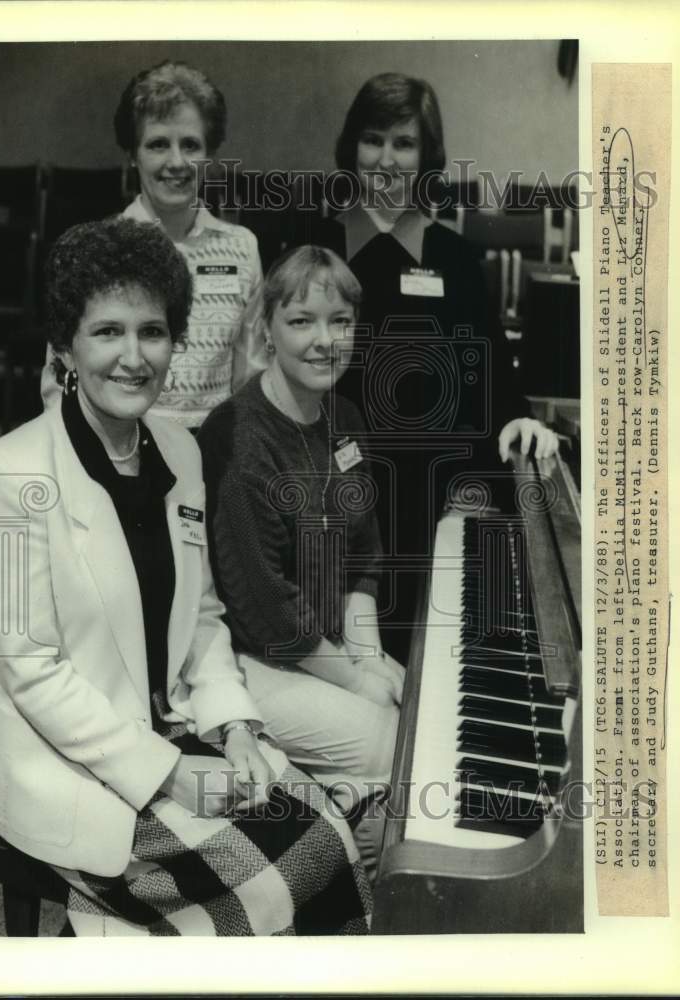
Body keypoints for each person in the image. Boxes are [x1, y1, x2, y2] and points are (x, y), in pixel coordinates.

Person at [0, 218, 371, 936]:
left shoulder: (181, 454)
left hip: (179, 724)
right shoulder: (5, 474)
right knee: (270, 880)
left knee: (326, 836)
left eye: (151, 332)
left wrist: (239, 725)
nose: (133, 358)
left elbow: (205, 619)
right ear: (64, 346)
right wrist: (166, 772)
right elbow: (28, 671)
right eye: (107, 333)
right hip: (70, 764)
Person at [297, 72, 559, 662]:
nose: (386, 159)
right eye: (373, 139)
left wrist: (523, 421)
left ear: (427, 157)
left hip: (433, 497)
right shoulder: (312, 244)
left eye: (404, 143)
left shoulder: (458, 259)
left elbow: (495, 382)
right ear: (352, 149)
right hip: (335, 492)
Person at [198, 246, 401, 870]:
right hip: (249, 658)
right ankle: (370, 898)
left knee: (421, 716)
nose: (324, 341)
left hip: (328, 645)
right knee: (392, 742)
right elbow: (267, 612)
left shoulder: (344, 417)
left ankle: (367, 878)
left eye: (339, 321)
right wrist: (361, 680)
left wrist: (368, 657)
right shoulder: (236, 435)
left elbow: (363, 555)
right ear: (267, 329)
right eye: (302, 321)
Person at [42, 59, 265, 430]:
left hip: (213, 455)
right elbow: (58, 378)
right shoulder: (98, 248)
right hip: (121, 450)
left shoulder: (242, 249)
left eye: (190, 145)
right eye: (158, 144)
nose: (176, 162)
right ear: (132, 155)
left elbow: (252, 380)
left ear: (209, 154)